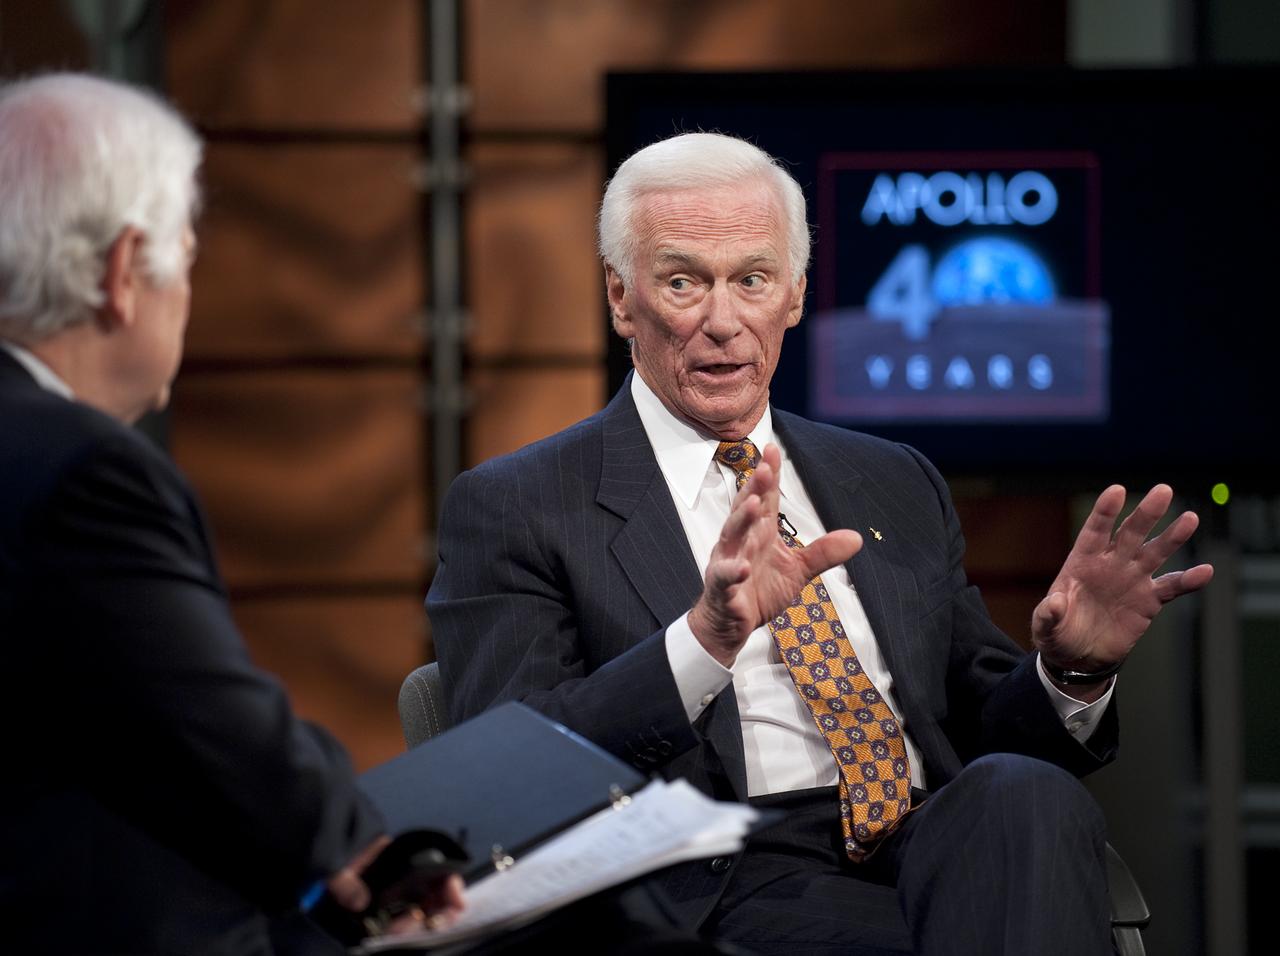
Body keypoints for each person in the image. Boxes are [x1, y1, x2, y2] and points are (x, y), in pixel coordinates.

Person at [428, 132, 1214, 955]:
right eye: (684, 282)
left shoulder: (891, 479)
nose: (723, 322)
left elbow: (984, 733)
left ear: (795, 295)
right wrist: (704, 642)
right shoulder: (519, 505)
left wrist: (1070, 671)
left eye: (753, 280)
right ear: (623, 298)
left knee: (1024, 795)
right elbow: (506, 777)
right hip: (724, 880)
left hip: (937, 846)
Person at [0, 73, 462, 954]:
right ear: (123, 272)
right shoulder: (85, 472)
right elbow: (216, 729)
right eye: (186, 256)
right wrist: (367, 844)